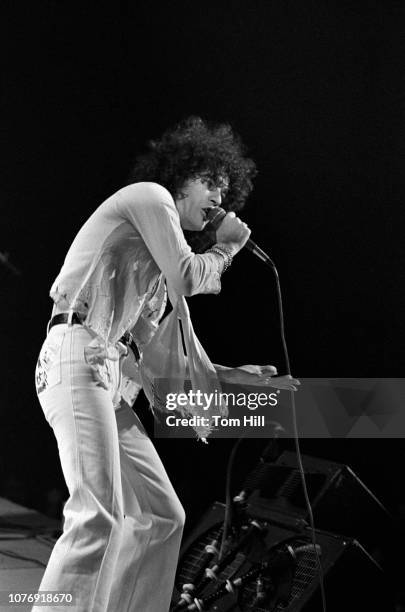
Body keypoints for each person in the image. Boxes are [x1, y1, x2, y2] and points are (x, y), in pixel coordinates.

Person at [33, 117, 297, 612]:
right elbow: (191, 275)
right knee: (97, 515)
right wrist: (228, 247)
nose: (221, 196)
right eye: (211, 181)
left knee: (162, 516)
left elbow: (154, 345)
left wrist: (227, 374)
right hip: (74, 354)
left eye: (227, 186)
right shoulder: (150, 195)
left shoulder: (152, 263)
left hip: (105, 373)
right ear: (182, 173)